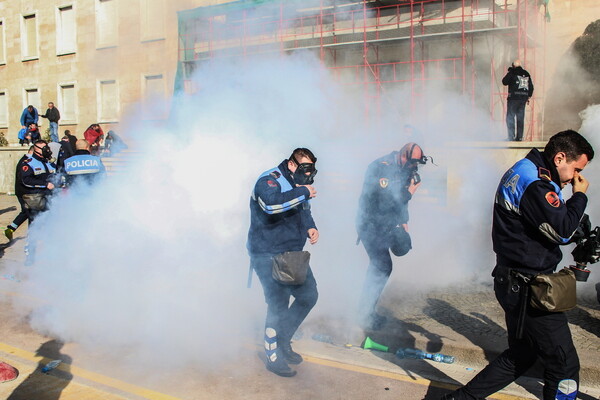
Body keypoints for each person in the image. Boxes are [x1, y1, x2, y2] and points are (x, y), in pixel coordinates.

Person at [441, 130, 594, 400]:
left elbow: (540, 224)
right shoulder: (536, 182)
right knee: (563, 363)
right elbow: (561, 231)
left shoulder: (528, 169)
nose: (575, 179)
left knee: (522, 355)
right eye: (576, 169)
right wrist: (579, 196)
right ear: (560, 158)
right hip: (528, 286)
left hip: (515, 280)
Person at [247, 148, 319, 377]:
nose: (308, 174)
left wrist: (310, 226)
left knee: (309, 296)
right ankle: (272, 354)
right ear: (291, 164)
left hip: (291, 253)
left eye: (311, 169)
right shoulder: (269, 180)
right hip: (266, 254)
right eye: (304, 168)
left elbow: (303, 209)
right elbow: (270, 205)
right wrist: (304, 193)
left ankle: (283, 339)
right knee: (278, 304)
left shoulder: (297, 184)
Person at [356, 142, 426, 330]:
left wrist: (404, 220)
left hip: (386, 223)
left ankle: (366, 310)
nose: (414, 167)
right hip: (370, 223)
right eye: (413, 163)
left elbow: (400, 204)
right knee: (382, 266)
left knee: (392, 257)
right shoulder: (381, 167)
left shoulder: (404, 168)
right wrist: (410, 192)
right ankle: (364, 314)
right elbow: (388, 200)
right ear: (404, 156)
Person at [4, 146, 34, 241]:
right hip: (23, 192)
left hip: (23, 191)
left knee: (26, 212)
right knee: (29, 213)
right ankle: (31, 235)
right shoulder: (26, 161)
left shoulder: (26, 160)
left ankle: (11, 228)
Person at [502, 59, 534, 141]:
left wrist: (510, 71)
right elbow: (531, 87)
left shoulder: (513, 72)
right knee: (520, 118)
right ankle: (519, 137)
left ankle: (511, 137)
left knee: (510, 117)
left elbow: (504, 81)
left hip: (513, 99)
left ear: (513, 65)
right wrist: (528, 96)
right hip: (523, 99)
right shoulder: (527, 73)